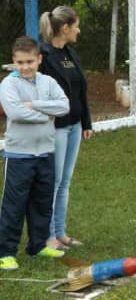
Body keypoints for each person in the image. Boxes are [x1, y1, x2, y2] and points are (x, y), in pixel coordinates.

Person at [0, 36, 70, 271]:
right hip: (18, 155)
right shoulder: (8, 84)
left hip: (45, 153)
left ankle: (38, 245)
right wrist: (46, 116)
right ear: (14, 61)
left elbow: (64, 106)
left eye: (30, 61)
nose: (25, 67)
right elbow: (15, 113)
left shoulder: (48, 82)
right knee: (14, 205)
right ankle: (5, 252)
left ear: (39, 59)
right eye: (20, 62)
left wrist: (35, 105)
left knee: (42, 202)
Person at [38, 6, 93, 250]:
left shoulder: (71, 53)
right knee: (54, 180)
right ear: (65, 28)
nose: (79, 31)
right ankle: (48, 236)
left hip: (75, 126)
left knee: (65, 182)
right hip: (56, 127)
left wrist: (86, 122)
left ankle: (61, 233)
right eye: (76, 26)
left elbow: (81, 91)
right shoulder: (43, 55)